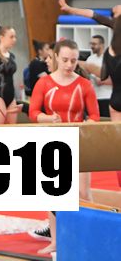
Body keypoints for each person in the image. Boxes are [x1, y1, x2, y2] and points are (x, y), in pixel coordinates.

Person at [29, 38, 100, 257]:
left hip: (79, 141)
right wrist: (48, 119)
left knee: (82, 192)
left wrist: (87, 124)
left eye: (74, 61)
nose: (69, 65)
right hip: (53, 141)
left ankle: (88, 239)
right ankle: (56, 241)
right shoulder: (44, 83)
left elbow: (95, 115)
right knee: (54, 192)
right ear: (56, 57)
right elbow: (33, 112)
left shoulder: (84, 84)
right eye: (65, 60)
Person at [79, 35, 113, 117]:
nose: (92, 46)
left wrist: (102, 81)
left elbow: (115, 79)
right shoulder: (90, 59)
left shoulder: (109, 58)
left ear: (102, 45)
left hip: (106, 96)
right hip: (94, 97)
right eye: (91, 44)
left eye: (94, 44)